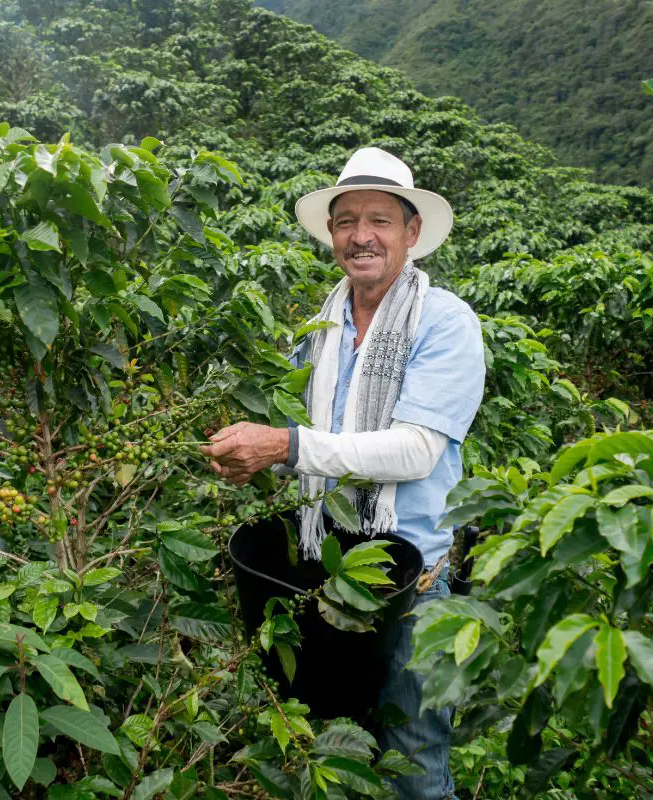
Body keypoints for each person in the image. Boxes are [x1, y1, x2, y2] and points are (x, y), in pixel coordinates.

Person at [199, 147, 485, 799]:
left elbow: (414, 451)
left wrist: (285, 445)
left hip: (415, 585)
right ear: (331, 235)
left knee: (414, 763)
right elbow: (311, 446)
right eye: (347, 220)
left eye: (380, 220)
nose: (362, 236)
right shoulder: (318, 332)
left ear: (412, 232)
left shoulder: (446, 324)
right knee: (334, 746)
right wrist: (254, 451)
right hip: (329, 573)